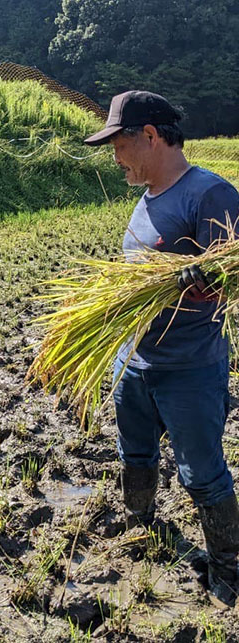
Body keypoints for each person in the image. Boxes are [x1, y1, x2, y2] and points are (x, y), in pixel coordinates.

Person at [84, 90, 239, 608]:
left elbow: (232, 277)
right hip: (135, 364)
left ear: (149, 135)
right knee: (137, 455)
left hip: (189, 370)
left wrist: (209, 278)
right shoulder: (146, 197)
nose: (114, 158)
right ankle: (142, 525)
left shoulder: (209, 193)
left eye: (118, 145)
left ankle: (228, 569)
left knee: (202, 473)